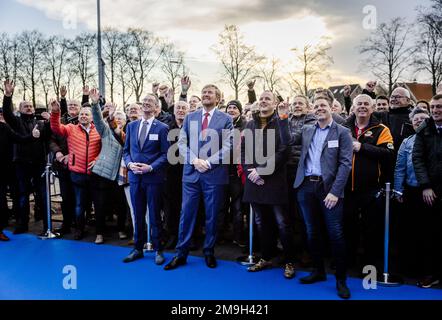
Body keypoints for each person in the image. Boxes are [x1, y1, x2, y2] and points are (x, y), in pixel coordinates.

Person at [279, 94, 353, 299]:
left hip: (329, 190)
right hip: (305, 187)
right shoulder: (307, 129)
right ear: (313, 109)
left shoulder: (343, 132)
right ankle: (318, 271)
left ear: (331, 108)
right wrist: (284, 118)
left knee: (335, 234)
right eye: (317, 106)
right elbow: (286, 141)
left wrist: (335, 192)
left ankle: (340, 280)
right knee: (312, 232)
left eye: (323, 105)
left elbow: (345, 164)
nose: (320, 108)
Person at [164, 84, 233, 270]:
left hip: (214, 174)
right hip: (191, 174)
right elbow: (182, 142)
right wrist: (195, 160)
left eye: (210, 92)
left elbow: (228, 146)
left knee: (211, 216)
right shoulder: (190, 117)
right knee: (186, 214)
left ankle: (209, 252)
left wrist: (208, 162)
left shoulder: (226, 119)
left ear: (217, 98)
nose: (205, 94)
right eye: (204, 92)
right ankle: (181, 253)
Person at [242, 91, 296, 279]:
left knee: (282, 222)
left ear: (275, 104)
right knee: (260, 222)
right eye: (261, 98)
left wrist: (262, 171)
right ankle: (265, 257)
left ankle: (289, 261)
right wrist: (251, 172)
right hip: (253, 180)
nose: (263, 101)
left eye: (268, 99)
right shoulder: (250, 124)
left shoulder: (282, 122)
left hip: (274, 180)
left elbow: (285, 150)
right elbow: (243, 151)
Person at [343, 94, 395, 269]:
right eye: (359, 104)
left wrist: (362, 147)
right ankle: (348, 262)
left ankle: (369, 266)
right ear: (353, 108)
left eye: (366, 104)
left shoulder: (382, 129)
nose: (363, 107)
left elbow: (388, 154)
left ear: (372, 108)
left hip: (371, 189)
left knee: (371, 229)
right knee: (348, 227)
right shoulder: (344, 128)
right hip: (346, 188)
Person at [122, 94, 170, 265]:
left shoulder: (163, 128)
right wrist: (129, 165)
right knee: (138, 214)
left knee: (155, 215)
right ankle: (137, 248)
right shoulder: (131, 126)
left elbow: (166, 155)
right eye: (144, 101)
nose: (146, 103)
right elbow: (126, 151)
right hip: (135, 178)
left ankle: (158, 250)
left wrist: (151, 167)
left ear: (157, 107)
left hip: (153, 178)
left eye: (150, 101)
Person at [2, 80, 51, 235]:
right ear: (20, 109)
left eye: (30, 106)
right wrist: (8, 96)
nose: (29, 108)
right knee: (22, 195)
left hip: (39, 164)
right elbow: (8, 114)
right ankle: (23, 224)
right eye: (25, 106)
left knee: (42, 195)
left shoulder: (41, 123)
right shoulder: (16, 122)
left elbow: (50, 138)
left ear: (34, 109)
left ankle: (46, 226)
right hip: (21, 164)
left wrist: (50, 121)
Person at [50, 99, 102, 240]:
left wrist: (96, 161)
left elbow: (104, 149)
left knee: (97, 205)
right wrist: (55, 112)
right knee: (79, 204)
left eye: (86, 114)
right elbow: (56, 128)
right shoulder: (71, 128)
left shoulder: (99, 130)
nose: (83, 116)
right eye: (81, 114)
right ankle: (79, 230)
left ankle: (99, 232)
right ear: (78, 117)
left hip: (94, 174)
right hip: (77, 174)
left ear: (92, 117)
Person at [394, 108, 430, 277]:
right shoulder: (407, 141)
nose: (418, 121)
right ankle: (409, 267)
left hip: (431, 192)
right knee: (409, 231)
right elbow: (400, 168)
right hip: (411, 191)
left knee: (428, 231)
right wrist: (398, 190)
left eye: (422, 118)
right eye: (415, 119)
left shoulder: (433, 138)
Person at [412, 94, 442, 288]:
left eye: (440, 107)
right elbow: (418, 158)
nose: (436, 110)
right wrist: (426, 186)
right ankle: (430, 274)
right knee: (430, 234)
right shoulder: (424, 128)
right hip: (431, 191)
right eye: (433, 107)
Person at [0, 107, 40, 240]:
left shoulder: (4, 128)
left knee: (5, 198)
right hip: (11, 167)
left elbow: (20, 139)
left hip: (8, 168)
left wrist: (31, 136)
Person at [219, 99, 247, 247]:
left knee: (237, 207)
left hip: (237, 173)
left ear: (240, 111)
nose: (231, 110)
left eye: (234, 108)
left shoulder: (245, 126)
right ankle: (222, 234)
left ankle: (238, 236)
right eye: (229, 107)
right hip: (221, 171)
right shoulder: (221, 125)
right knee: (221, 206)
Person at [163, 100, 190, 249]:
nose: (180, 110)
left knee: (189, 207)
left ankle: (188, 237)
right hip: (170, 174)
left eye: (184, 108)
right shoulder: (167, 128)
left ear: (189, 111)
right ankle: (172, 235)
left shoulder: (194, 128)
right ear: (174, 111)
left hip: (189, 172)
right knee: (171, 207)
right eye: (178, 108)